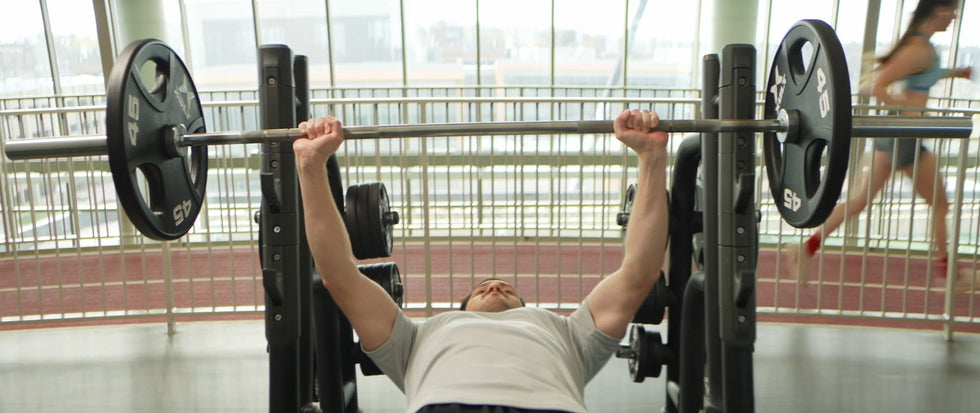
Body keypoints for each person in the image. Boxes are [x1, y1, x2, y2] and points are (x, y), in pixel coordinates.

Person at [293, 109, 670, 413]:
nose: (494, 285)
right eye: (484, 288)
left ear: (527, 309)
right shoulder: (416, 338)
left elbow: (640, 273)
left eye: (506, 288)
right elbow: (339, 277)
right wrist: (311, 166)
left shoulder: (568, 334)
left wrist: (652, 157)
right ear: (461, 311)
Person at [782, 0, 974, 291]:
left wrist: (954, 73)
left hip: (900, 137)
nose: (954, 18)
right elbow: (876, 86)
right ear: (938, 10)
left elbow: (924, 73)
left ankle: (807, 247)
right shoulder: (918, 49)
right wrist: (912, 109)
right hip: (905, 137)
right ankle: (952, 276)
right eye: (953, 12)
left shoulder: (921, 46)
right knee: (940, 205)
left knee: (860, 201)